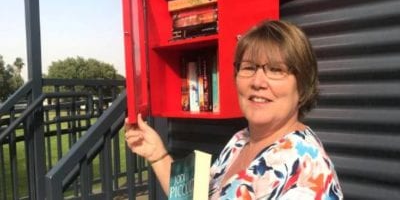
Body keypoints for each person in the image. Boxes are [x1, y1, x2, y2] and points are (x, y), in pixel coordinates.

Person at [125, 20, 343, 199]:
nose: (258, 81)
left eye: (276, 70)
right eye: (248, 67)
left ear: (303, 84)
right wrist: (158, 155)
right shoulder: (241, 140)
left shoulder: (306, 173)